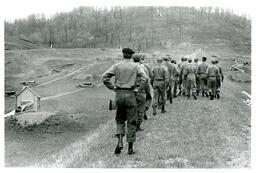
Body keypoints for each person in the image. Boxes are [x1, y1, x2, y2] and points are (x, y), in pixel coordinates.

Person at [102, 48, 147, 155]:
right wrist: (139, 89)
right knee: (132, 121)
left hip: (119, 95)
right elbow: (145, 78)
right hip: (131, 94)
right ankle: (130, 148)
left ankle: (120, 142)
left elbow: (104, 77)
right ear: (131, 56)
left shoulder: (116, 65)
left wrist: (112, 87)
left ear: (123, 55)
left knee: (119, 119)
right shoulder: (137, 66)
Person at [132, 54, 150, 131]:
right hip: (139, 90)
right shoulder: (143, 68)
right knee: (140, 108)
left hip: (129, 90)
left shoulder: (129, 67)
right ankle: (137, 125)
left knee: (131, 108)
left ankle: (130, 124)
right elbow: (146, 79)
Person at [140, 54, 153, 120]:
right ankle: (144, 113)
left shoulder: (132, 66)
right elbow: (151, 75)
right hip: (144, 85)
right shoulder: (146, 66)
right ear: (143, 59)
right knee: (148, 98)